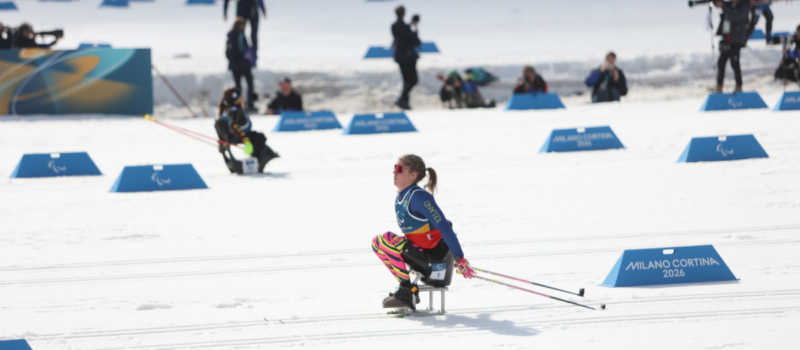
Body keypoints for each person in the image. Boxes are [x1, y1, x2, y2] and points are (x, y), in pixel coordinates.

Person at [372, 154, 475, 310]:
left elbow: (445, 227)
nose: (394, 172)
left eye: (399, 169)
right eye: (395, 168)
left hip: (434, 261)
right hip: (420, 254)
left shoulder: (419, 197)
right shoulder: (401, 197)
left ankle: (407, 291)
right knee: (377, 243)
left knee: (385, 238)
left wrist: (459, 258)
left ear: (413, 175)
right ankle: (407, 289)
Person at [215, 87, 278, 174]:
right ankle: (262, 157)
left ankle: (264, 154)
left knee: (258, 137)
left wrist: (222, 142)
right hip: (241, 136)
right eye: (242, 98)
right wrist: (246, 139)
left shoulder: (228, 110)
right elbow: (234, 125)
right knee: (259, 137)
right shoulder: (235, 110)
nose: (244, 100)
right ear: (236, 99)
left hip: (239, 135)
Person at [714, 0, 752, 92]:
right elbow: (719, 5)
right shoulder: (730, 5)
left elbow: (735, 17)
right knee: (721, 62)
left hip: (736, 41)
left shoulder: (745, 6)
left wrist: (723, 6)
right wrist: (717, 3)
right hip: (727, 39)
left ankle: (739, 86)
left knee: (734, 63)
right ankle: (719, 86)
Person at [392, 5, 421, 110]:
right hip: (407, 58)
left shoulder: (397, 26)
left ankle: (405, 101)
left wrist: (412, 26)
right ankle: (402, 99)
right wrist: (413, 27)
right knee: (413, 79)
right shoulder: (400, 26)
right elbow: (415, 40)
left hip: (400, 57)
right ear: (404, 14)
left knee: (407, 80)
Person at [226, 17, 256, 111]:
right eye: (242, 25)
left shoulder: (242, 35)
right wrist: (239, 58)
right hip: (238, 64)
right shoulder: (233, 35)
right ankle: (239, 105)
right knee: (238, 87)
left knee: (248, 84)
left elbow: (247, 49)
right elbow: (232, 51)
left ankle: (248, 104)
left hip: (242, 64)